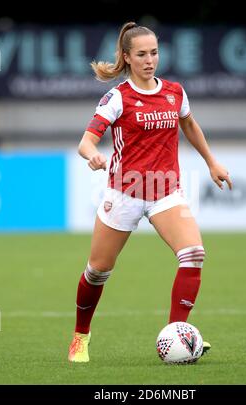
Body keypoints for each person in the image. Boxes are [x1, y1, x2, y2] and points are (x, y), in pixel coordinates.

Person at [68, 22, 232, 362]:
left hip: (164, 190)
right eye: (141, 54)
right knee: (97, 271)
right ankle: (80, 337)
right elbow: (86, 140)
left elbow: (189, 123)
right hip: (124, 193)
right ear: (127, 57)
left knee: (193, 254)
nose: (149, 60)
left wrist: (211, 162)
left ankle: (179, 336)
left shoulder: (174, 91)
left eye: (154, 52)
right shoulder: (118, 98)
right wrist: (93, 155)